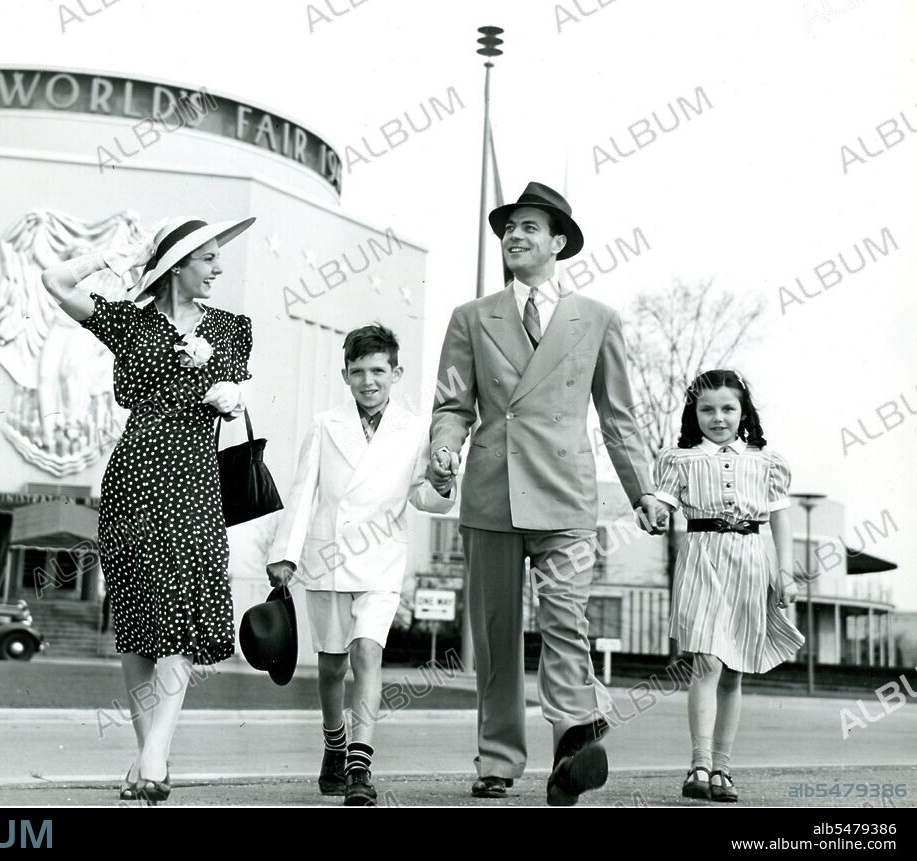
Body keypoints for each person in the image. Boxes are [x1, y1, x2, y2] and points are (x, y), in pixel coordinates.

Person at [428, 182, 667, 805]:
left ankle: (572, 743)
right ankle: (498, 761)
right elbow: (452, 404)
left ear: (559, 242)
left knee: (566, 619)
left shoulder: (598, 319)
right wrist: (444, 447)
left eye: (529, 227)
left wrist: (644, 490)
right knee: (496, 634)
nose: (515, 235)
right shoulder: (471, 317)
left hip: (566, 496)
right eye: (509, 227)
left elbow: (619, 417)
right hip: (492, 492)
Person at [41, 215, 256, 804]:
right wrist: (117, 257)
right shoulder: (130, 322)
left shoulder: (232, 328)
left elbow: (233, 391)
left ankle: (154, 754)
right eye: (208, 258)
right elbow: (56, 281)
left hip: (193, 482)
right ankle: (150, 760)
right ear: (176, 267)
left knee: (181, 616)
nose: (218, 268)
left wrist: (227, 391)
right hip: (133, 479)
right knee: (138, 627)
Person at [267, 325, 456, 806]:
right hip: (327, 560)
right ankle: (334, 745)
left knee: (367, 653)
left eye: (377, 371)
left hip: (381, 562)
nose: (368, 381)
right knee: (331, 668)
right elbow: (303, 492)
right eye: (358, 372)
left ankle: (359, 766)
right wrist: (284, 555)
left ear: (396, 373)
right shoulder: (325, 424)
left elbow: (425, 497)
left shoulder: (415, 429)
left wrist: (442, 482)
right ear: (345, 375)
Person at [653, 370, 803, 803]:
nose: (717, 418)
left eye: (727, 408)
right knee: (706, 662)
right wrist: (652, 513)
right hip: (701, 559)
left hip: (750, 563)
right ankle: (699, 765)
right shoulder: (678, 460)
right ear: (694, 413)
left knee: (733, 671)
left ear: (743, 412)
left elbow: (780, 520)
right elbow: (660, 506)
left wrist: (785, 573)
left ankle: (722, 769)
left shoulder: (766, 462)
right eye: (707, 409)